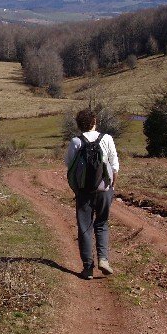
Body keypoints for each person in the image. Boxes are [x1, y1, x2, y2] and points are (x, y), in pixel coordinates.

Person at [65, 108, 119, 280]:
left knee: (85, 227)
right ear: (94, 122)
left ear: (79, 124)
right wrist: (112, 186)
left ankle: (88, 268)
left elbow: (69, 165)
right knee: (102, 223)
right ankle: (103, 259)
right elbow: (114, 165)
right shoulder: (107, 138)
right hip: (104, 189)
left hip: (83, 191)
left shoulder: (76, 141)